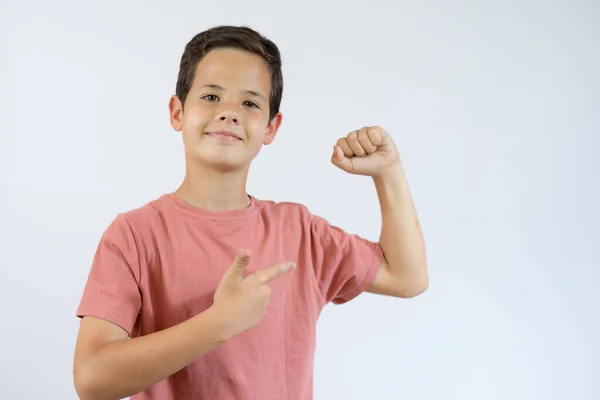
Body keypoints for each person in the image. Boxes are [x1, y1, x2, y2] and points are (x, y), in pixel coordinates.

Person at [73, 25, 428, 400]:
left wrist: (388, 173)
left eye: (250, 103)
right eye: (211, 96)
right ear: (178, 112)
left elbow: (406, 277)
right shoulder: (134, 235)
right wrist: (219, 322)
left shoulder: (299, 231)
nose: (228, 113)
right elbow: (92, 378)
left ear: (271, 127)